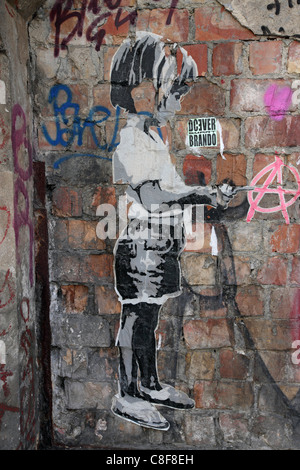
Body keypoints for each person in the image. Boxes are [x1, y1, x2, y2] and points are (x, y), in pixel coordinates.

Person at [109, 31, 237, 430]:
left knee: (149, 319)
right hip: (142, 246)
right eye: (176, 91)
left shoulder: (154, 138)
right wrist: (202, 193)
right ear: (147, 89)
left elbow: (169, 191)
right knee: (137, 318)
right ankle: (127, 394)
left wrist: (207, 193)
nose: (179, 101)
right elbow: (153, 197)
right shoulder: (131, 138)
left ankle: (149, 384)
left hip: (160, 247)